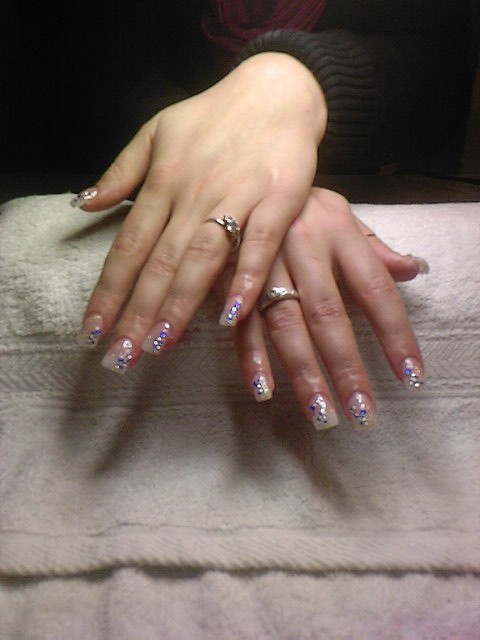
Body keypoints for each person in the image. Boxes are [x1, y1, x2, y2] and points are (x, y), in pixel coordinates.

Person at [69, 0, 473, 429]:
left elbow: (443, 73)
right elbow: (86, 65)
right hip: (165, 180)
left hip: (369, 182)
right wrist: (219, 166)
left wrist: (294, 80)